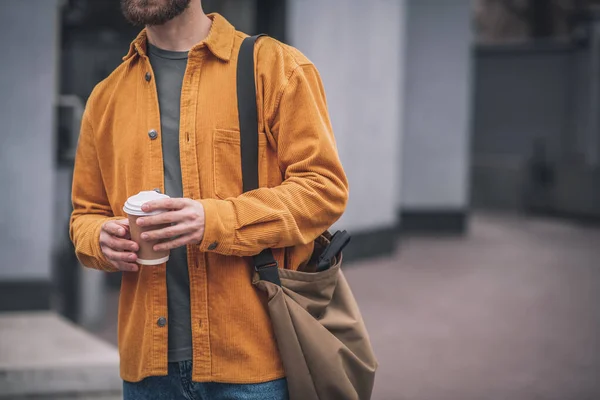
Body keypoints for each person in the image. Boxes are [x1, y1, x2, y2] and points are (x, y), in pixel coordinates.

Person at [69, 0, 348, 399]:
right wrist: (98, 239)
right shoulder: (105, 97)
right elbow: (85, 214)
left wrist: (215, 220)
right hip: (148, 370)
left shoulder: (274, 67)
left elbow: (324, 188)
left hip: (253, 364)